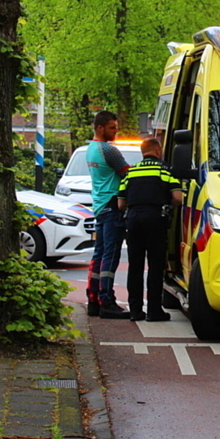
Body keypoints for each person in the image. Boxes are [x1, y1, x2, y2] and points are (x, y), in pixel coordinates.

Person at [117, 137, 183, 322]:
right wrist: (168, 206)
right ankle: (154, 311)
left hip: (133, 219)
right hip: (156, 219)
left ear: (142, 152)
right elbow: (178, 198)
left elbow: (121, 204)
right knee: (155, 266)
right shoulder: (165, 169)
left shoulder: (130, 172)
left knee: (135, 266)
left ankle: (135, 311)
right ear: (158, 150)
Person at [86, 111, 132, 318]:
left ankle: (93, 299)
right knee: (110, 256)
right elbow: (128, 173)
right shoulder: (108, 150)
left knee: (99, 254)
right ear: (100, 128)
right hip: (112, 206)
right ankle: (107, 301)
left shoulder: (90, 149)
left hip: (100, 206)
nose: (116, 132)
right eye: (112, 128)